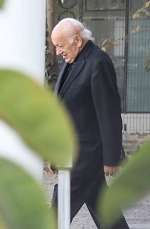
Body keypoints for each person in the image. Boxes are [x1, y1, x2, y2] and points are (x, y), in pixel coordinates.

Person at [48, 18, 129, 229]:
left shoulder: (97, 62)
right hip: (74, 153)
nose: (58, 52)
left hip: (86, 155)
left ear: (77, 40)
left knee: (57, 211)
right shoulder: (73, 61)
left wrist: (111, 157)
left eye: (60, 46)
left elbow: (108, 112)